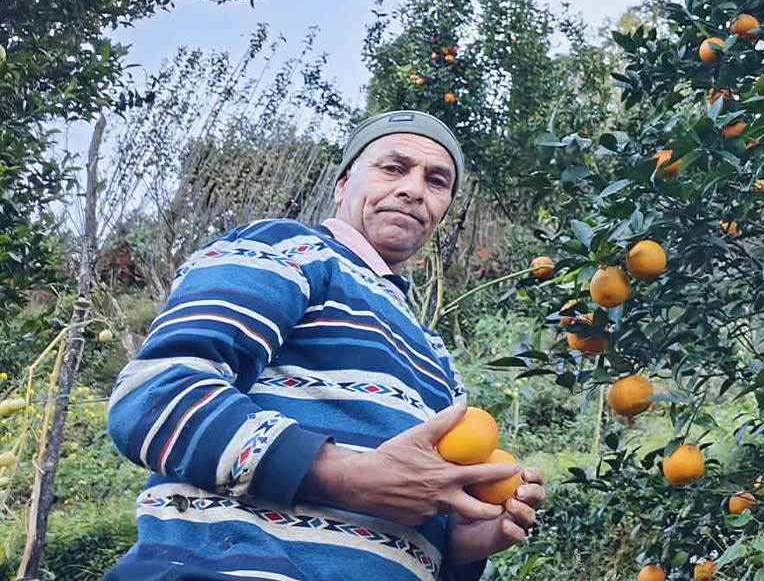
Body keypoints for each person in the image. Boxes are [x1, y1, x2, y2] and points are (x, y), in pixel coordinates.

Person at [104, 110, 544, 581]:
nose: (414, 189)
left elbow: (410, 498)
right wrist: (347, 475)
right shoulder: (291, 249)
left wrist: (460, 542)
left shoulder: (434, 355)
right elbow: (153, 397)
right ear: (342, 185)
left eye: (436, 181)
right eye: (393, 168)